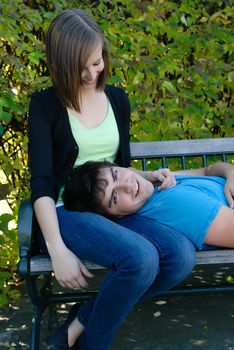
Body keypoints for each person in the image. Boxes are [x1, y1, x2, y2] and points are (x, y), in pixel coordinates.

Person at [28, 8, 197, 350]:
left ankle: (83, 319)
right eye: (81, 66)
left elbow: (117, 166)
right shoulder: (44, 106)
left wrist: (144, 176)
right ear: (60, 63)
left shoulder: (117, 99)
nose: (91, 74)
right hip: (66, 211)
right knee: (140, 259)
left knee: (180, 256)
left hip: (112, 207)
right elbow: (42, 183)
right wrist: (57, 248)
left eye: (96, 62)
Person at [63, 160, 234, 249]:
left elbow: (208, 170)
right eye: (114, 197)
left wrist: (231, 173)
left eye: (116, 175)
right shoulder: (174, 206)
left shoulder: (159, 183)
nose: (128, 186)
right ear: (116, 216)